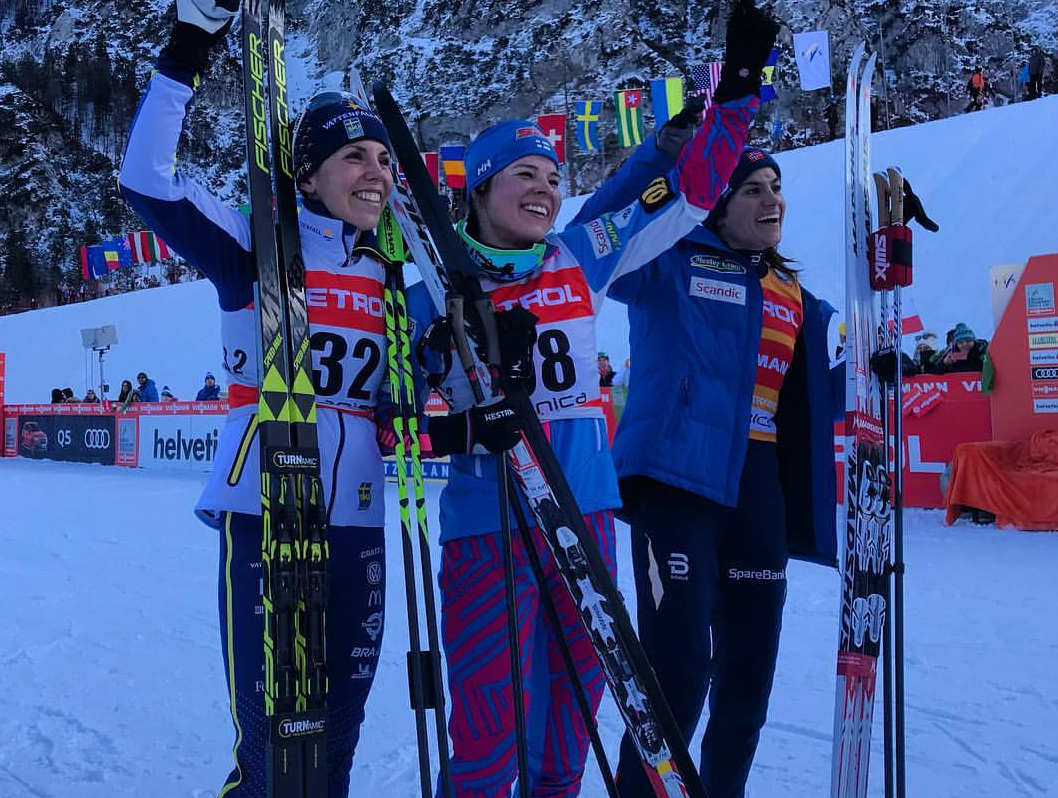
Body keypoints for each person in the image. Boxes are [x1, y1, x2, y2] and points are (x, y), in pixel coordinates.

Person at [406, 3, 776, 795]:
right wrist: (461, 425)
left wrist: (736, 88)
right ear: (478, 190)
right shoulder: (427, 292)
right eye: (523, 176)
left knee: (567, 740)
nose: (543, 189)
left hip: (588, 523)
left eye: (550, 176)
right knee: (485, 743)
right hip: (487, 532)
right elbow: (385, 431)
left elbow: (694, 193)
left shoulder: (583, 251)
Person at [119, 2, 398, 794]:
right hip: (267, 504)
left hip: (362, 519)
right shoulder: (256, 240)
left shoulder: (390, 273)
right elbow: (147, 182)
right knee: (277, 742)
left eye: (382, 157)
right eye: (354, 156)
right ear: (307, 173)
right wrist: (187, 50)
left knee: (339, 735)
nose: (375, 171)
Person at [572, 76, 839, 798]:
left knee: (748, 678)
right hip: (675, 480)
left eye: (776, 186)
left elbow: (824, 396)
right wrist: (660, 154)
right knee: (680, 669)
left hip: (757, 489)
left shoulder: (798, 298)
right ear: (718, 202)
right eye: (751, 188)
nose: (770, 199)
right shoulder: (667, 258)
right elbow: (594, 236)